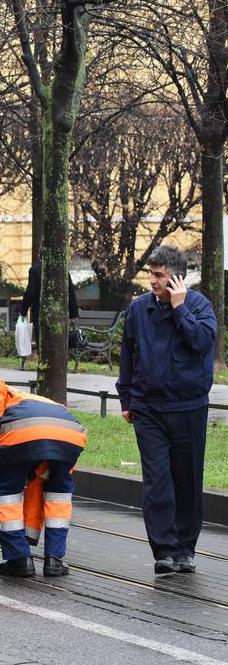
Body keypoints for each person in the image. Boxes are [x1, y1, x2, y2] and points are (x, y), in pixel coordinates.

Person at [117, 244, 216, 575]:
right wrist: (127, 400)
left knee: (187, 479)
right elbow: (128, 356)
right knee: (157, 481)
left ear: (178, 278)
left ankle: (186, 547)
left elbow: (202, 342)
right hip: (148, 408)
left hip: (189, 407)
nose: (152, 281)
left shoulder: (200, 305)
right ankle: (164, 550)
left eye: (159, 275)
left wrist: (179, 308)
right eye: (151, 274)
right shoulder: (138, 310)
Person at [0, 376, 87, 577]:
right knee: (58, 494)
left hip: (23, 434)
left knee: (6, 492)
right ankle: (55, 561)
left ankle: (19, 559)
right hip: (71, 435)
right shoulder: (37, 401)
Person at [20, 261, 80, 343]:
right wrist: (74, 314)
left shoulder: (35, 270)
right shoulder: (62, 269)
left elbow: (30, 293)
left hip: (40, 312)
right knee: (59, 341)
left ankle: (42, 354)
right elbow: (70, 292)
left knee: (42, 341)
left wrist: (23, 311)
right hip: (60, 313)